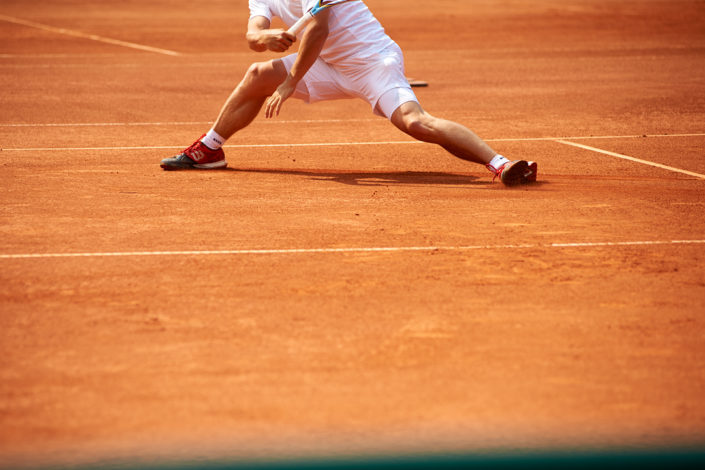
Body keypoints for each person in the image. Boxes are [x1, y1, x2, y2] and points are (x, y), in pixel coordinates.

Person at [160, 0, 537, 185]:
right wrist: (262, 37)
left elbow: (317, 30)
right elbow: (254, 32)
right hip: (330, 65)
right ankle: (210, 149)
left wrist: (291, 81)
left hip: (372, 61)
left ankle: (500, 164)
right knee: (258, 73)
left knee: (415, 122)